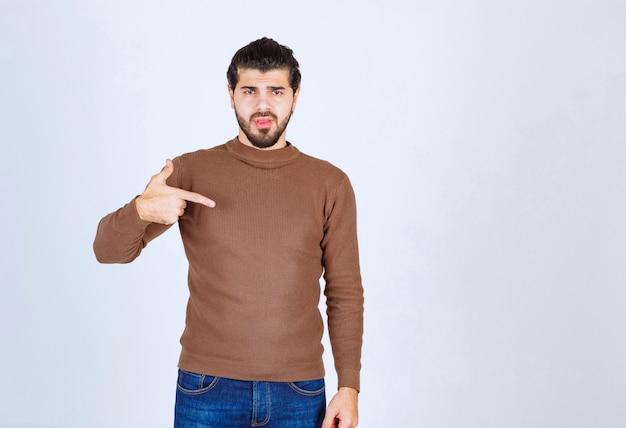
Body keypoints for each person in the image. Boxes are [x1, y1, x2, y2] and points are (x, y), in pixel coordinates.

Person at [93, 37, 363, 428]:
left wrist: (349, 388)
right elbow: (107, 250)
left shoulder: (330, 183)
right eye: (249, 91)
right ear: (231, 95)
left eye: (276, 91)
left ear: (295, 96)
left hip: (300, 391)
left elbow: (345, 293)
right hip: (208, 387)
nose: (263, 105)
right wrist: (140, 210)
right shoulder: (190, 172)